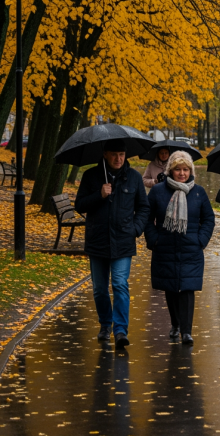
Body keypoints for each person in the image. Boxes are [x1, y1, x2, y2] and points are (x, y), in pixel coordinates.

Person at [75, 139, 150, 349]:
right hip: (97, 240)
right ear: (105, 154)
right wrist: (98, 195)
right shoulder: (91, 176)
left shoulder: (133, 178)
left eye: (122, 155)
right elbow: (80, 205)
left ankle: (120, 331)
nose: (118, 159)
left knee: (119, 284)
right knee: (99, 289)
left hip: (123, 241)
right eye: (114, 154)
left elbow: (144, 208)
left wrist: (135, 230)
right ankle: (105, 324)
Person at [145, 151, 215, 345]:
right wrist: (154, 240)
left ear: (190, 171)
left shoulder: (198, 192)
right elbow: (147, 218)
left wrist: (200, 240)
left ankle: (186, 331)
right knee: (171, 288)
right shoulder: (158, 191)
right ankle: (175, 324)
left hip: (190, 248)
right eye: (178, 169)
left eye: (185, 169)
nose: (182, 173)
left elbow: (208, 219)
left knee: (187, 289)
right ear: (171, 170)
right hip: (165, 247)